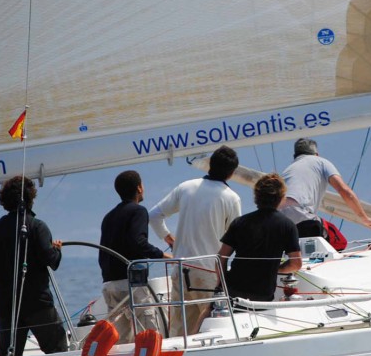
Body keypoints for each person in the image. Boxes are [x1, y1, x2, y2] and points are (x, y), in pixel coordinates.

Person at [150, 145, 242, 335]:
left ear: (210, 165)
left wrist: (169, 239)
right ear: (232, 173)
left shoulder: (186, 187)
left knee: (179, 332)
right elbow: (237, 240)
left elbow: (154, 215)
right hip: (209, 271)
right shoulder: (232, 198)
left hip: (181, 269)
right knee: (211, 329)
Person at [0, 175, 67, 356]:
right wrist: (57, 250)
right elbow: (51, 260)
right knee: (57, 351)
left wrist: (5, 274)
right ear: (31, 197)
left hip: (8, 306)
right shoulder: (37, 226)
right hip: (38, 304)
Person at [98, 170, 170, 343]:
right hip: (131, 284)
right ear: (139, 188)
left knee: (121, 340)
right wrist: (163, 255)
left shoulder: (108, 217)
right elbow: (138, 242)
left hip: (110, 284)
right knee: (149, 334)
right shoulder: (138, 211)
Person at [219, 173, 301, 304]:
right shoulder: (288, 226)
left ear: (256, 197)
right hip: (262, 295)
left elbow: (221, 258)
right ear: (281, 198)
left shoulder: (240, 222)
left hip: (233, 291)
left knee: (207, 311)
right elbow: (296, 264)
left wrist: (221, 286)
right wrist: (275, 269)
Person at [279, 137, 371, 240]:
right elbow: (344, 191)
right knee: (338, 241)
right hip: (302, 217)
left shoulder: (287, 170)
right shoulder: (321, 162)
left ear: (295, 155)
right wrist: (364, 218)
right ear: (316, 154)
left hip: (278, 221)